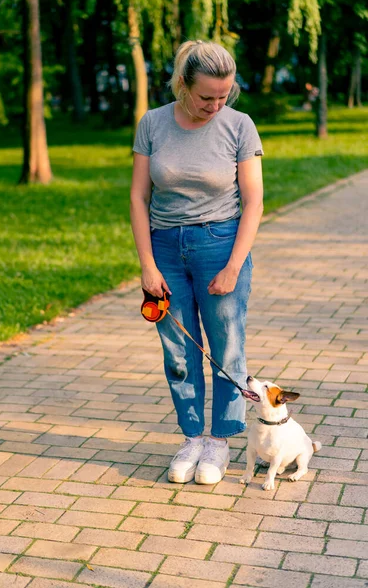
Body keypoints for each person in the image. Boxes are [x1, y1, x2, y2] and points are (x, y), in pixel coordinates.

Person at [130, 40, 264, 485]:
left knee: (227, 346)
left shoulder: (240, 126)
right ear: (183, 85)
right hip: (165, 247)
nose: (216, 104)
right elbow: (138, 195)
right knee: (179, 352)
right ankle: (192, 437)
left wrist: (233, 265)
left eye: (224, 95)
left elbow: (254, 200)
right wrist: (147, 265)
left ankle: (221, 441)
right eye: (207, 96)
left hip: (221, 243)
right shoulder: (153, 123)